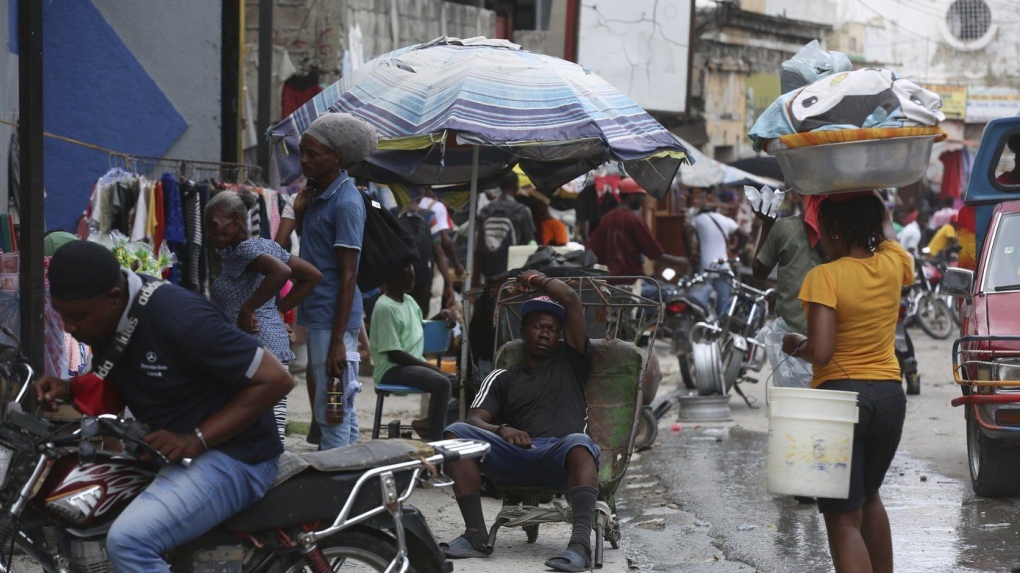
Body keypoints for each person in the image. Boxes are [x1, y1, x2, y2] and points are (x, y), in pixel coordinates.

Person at [36, 240, 293, 572]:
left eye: (76, 317)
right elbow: (112, 381)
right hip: (171, 451)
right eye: (62, 316)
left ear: (113, 298)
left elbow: (277, 380)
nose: (69, 327)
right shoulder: (111, 316)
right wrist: (69, 389)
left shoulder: (180, 318)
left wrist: (195, 438)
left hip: (237, 455)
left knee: (129, 542)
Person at [781, 193, 912, 573]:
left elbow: (821, 352)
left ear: (834, 231)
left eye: (820, 230)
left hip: (838, 400)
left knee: (841, 516)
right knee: (869, 497)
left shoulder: (825, 276)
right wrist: (870, 191)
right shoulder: (893, 263)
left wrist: (794, 345)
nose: (818, 238)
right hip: (889, 396)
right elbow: (886, 229)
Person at [440, 270, 598, 572]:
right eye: (538, 326)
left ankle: (579, 546)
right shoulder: (502, 377)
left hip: (560, 457)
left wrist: (533, 277)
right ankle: (475, 535)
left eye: (552, 329)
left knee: (581, 443)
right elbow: (474, 419)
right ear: (523, 330)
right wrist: (502, 429)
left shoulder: (572, 360)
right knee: (456, 434)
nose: (545, 333)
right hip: (515, 456)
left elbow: (571, 300)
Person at [206, 188, 322, 439]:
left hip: (258, 348)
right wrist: (277, 310)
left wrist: (249, 309)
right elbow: (312, 276)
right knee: (269, 427)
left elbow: (281, 272)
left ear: (236, 219)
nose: (210, 233)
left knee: (263, 430)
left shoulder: (248, 249)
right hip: (268, 345)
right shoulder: (264, 246)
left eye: (215, 225)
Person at [292, 112, 377, 450]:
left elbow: (348, 275)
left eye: (313, 153)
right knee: (342, 406)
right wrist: (299, 215)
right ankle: (354, 478)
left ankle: (336, 488)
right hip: (320, 314)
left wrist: (339, 341)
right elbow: (314, 253)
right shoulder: (317, 196)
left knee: (332, 410)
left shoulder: (345, 202)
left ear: (335, 157)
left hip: (332, 319)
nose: (304, 160)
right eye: (302, 152)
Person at [370, 263, 455, 441]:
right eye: (409, 270)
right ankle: (435, 442)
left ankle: (432, 424)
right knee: (442, 383)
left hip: (407, 365)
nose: (413, 275)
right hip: (390, 369)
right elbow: (394, 353)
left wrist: (440, 317)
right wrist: (431, 367)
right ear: (400, 275)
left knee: (461, 383)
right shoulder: (386, 307)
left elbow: (417, 330)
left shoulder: (409, 301)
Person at [585, 178, 688, 279]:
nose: (644, 199)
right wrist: (680, 261)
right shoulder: (633, 220)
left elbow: (592, 248)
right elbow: (654, 252)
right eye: (642, 196)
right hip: (630, 280)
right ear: (632, 196)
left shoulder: (606, 218)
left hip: (609, 281)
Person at [752, 197, 825, 336]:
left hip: (790, 340)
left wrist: (767, 225)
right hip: (825, 340)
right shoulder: (845, 233)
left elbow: (758, 272)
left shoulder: (786, 227)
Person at [692, 196, 742, 315]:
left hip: (706, 267)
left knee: (702, 303)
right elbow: (744, 235)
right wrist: (736, 249)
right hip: (723, 266)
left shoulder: (697, 219)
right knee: (723, 305)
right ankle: (720, 330)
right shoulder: (726, 220)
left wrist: (690, 254)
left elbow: (686, 232)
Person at [419, 187, 465, 312]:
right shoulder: (437, 207)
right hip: (432, 266)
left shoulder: (407, 204)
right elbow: (445, 242)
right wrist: (456, 265)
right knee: (432, 307)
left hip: (411, 267)